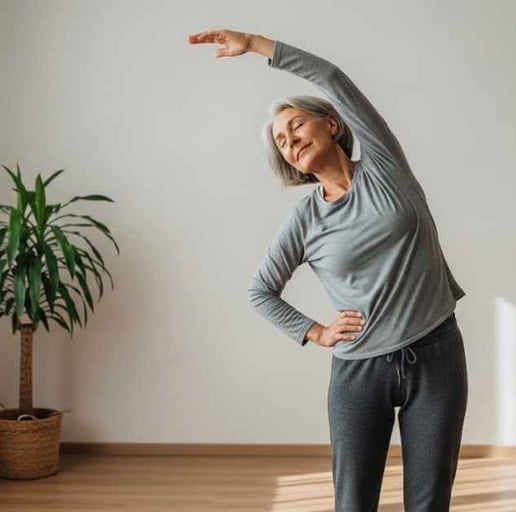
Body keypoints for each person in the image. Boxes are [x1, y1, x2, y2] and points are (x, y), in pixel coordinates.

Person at [188, 29, 468, 511]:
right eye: (281, 140)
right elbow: (261, 291)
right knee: (353, 503)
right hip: (359, 373)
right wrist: (315, 331)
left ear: (332, 125)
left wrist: (256, 45)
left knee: (429, 501)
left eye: (295, 126)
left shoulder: (385, 169)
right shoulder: (306, 218)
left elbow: (333, 78)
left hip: (436, 354)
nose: (289, 140)